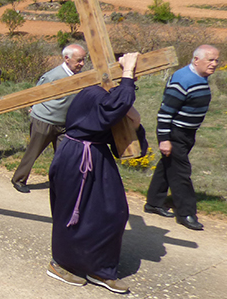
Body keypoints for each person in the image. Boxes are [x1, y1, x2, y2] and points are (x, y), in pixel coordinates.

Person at [46, 52, 146, 294]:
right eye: (128, 78)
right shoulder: (94, 93)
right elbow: (115, 106)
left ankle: (99, 268)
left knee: (112, 212)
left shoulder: (105, 97)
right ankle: (62, 264)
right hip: (77, 157)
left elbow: (119, 117)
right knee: (73, 214)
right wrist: (128, 73)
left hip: (96, 156)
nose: (130, 84)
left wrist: (135, 121)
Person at [145, 45, 220, 231]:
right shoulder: (183, 79)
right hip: (175, 133)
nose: (214, 64)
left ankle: (154, 203)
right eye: (210, 60)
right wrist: (164, 139)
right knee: (181, 173)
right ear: (196, 60)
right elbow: (164, 112)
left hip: (187, 133)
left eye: (216, 60)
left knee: (167, 166)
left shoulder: (200, 77)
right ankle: (186, 213)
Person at [12, 44, 87, 193]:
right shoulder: (54, 75)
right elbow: (37, 91)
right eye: (79, 60)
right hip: (44, 121)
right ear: (67, 58)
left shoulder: (79, 76)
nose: (82, 64)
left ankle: (62, 184)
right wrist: (32, 105)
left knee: (64, 156)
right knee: (33, 152)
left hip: (64, 124)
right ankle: (18, 179)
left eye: (83, 60)